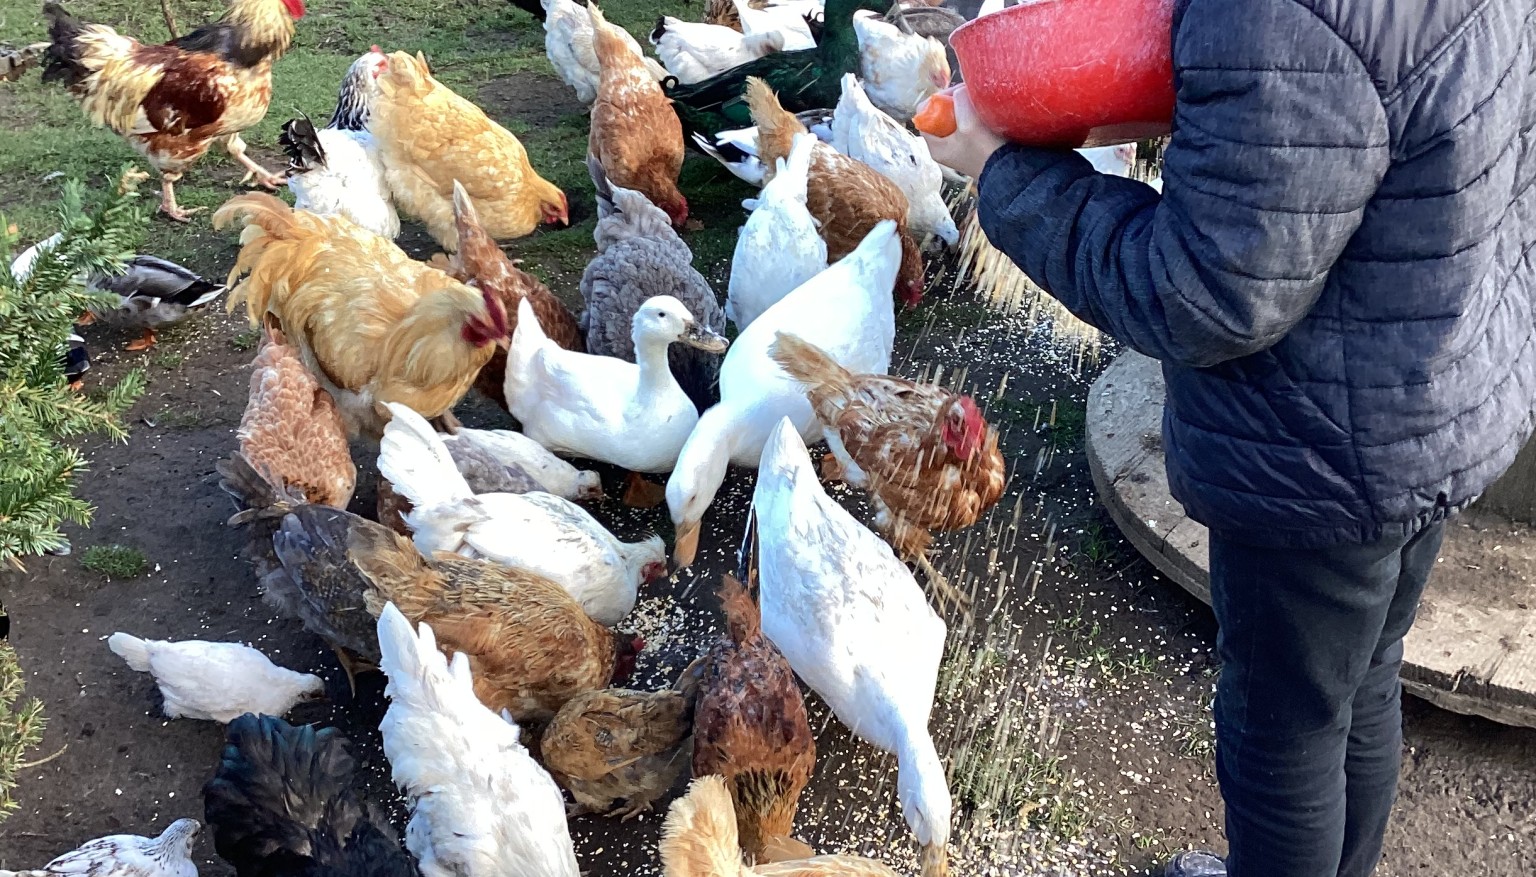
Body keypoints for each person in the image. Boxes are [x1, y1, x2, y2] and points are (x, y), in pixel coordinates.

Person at [923, 2, 1536, 876]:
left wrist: (1004, 172)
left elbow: (1205, 292)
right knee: (1360, 680)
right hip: (1433, 389)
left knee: (1281, 732)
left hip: (1315, 458)